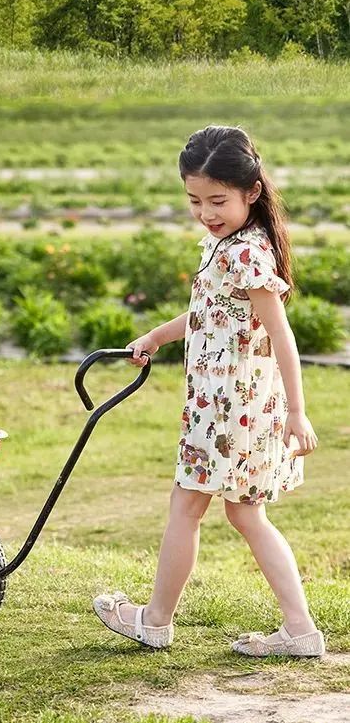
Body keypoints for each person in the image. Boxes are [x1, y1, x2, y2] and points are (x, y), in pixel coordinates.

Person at [92, 126, 325, 658]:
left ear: (252, 192)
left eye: (218, 200)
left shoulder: (246, 254)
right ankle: (300, 629)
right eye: (195, 200)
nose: (205, 212)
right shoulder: (235, 246)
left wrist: (299, 412)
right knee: (245, 513)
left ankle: (154, 620)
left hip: (227, 412)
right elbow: (210, 312)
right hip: (234, 409)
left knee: (186, 506)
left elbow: (281, 333)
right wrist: (155, 336)